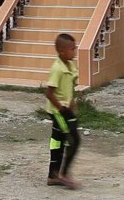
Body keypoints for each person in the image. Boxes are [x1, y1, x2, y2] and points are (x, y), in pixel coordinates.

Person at [44, 33, 81, 190]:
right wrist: (62, 109)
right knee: (74, 139)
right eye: (72, 49)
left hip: (66, 109)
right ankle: (63, 174)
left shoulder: (71, 65)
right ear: (61, 51)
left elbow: (71, 87)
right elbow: (49, 93)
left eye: (75, 48)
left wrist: (72, 103)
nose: (75, 52)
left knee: (57, 142)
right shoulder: (57, 68)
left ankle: (53, 176)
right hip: (58, 111)